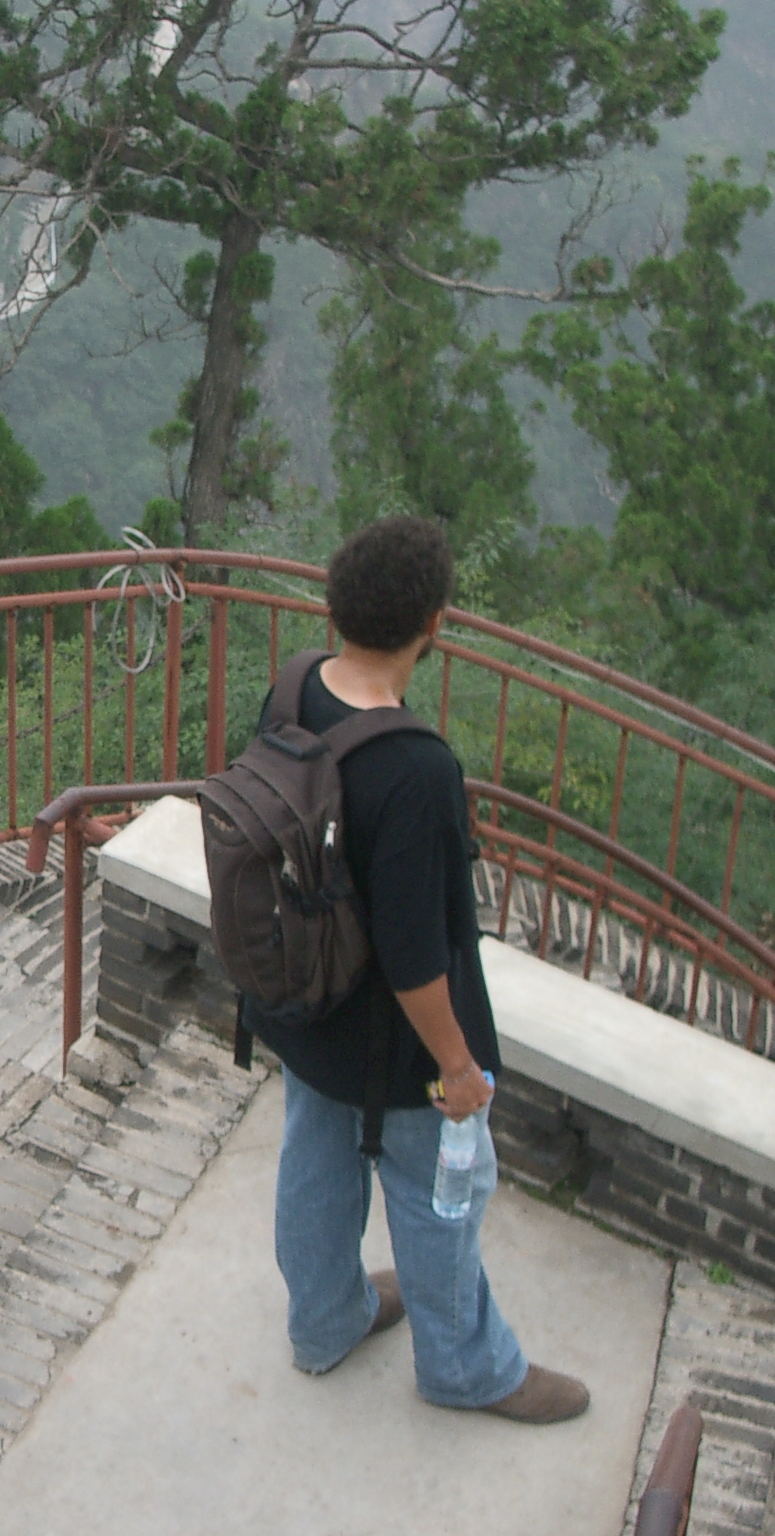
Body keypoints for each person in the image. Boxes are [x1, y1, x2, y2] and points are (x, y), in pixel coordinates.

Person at [242, 516, 589, 1422]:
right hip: (395, 1051)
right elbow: (414, 954)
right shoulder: (418, 768)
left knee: (314, 1167)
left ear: (336, 605)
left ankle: (324, 1325)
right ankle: (467, 1371)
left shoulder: (294, 689)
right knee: (440, 1204)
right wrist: (459, 1067)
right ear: (436, 625)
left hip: (303, 1003)